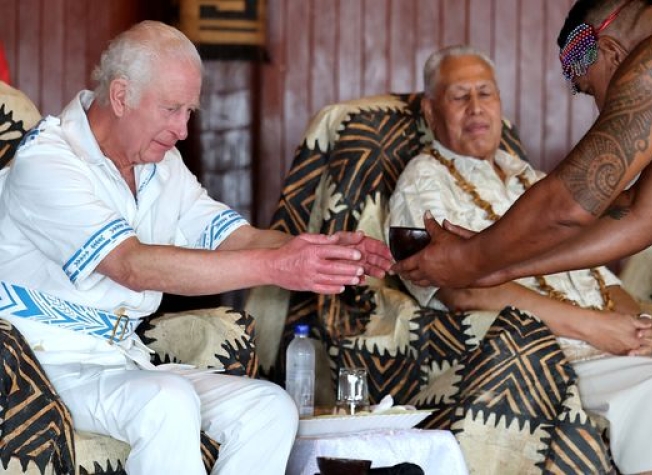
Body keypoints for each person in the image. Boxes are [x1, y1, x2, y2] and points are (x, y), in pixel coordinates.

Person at [0, 21, 393, 475]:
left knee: (269, 407)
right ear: (122, 95)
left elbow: (237, 239)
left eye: (189, 111)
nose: (183, 130)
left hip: (121, 360)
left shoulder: (161, 166)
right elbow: (130, 265)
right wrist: (277, 266)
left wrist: (322, 250)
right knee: (167, 401)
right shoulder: (48, 161)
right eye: (171, 109)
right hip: (39, 364)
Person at [388, 44, 652, 475]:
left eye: (486, 94)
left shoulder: (529, 177)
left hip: (608, 343)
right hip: (542, 353)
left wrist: (634, 328)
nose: (476, 108)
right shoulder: (424, 181)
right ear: (429, 110)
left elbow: (601, 275)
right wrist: (595, 327)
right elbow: (459, 287)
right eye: (460, 97)